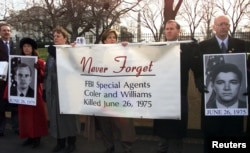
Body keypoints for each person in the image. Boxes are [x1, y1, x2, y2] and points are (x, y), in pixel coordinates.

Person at [193, 15, 246, 151]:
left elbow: (247, 68)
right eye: (221, 24)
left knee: (232, 136)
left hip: (234, 111)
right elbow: (197, 68)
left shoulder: (241, 44)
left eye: (226, 24)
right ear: (214, 27)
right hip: (211, 104)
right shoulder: (203, 46)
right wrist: (199, 81)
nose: (224, 27)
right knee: (212, 137)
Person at [85, 29, 135, 153]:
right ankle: (109, 146)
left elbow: (133, 63)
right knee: (105, 123)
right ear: (104, 41)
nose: (112, 40)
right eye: (109, 38)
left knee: (123, 123)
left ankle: (127, 147)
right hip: (103, 94)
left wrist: (127, 49)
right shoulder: (97, 54)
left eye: (114, 37)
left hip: (119, 93)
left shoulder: (122, 52)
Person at [153, 20, 198, 153]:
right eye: (167, 29)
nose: (169, 31)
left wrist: (197, 50)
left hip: (179, 93)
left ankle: (178, 149)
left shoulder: (186, 48)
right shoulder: (159, 47)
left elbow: (196, 66)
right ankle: (162, 148)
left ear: (178, 31)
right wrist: (125, 47)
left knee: (178, 125)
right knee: (163, 125)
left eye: (172, 28)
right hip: (162, 93)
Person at [4, 37, 48, 147]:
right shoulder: (17, 61)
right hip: (22, 96)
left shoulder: (40, 62)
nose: (26, 48)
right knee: (24, 117)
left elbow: (43, 79)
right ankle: (29, 137)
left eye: (29, 46)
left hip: (35, 94)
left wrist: (39, 70)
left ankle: (37, 138)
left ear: (32, 48)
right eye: (24, 46)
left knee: (36, 117)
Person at [44, 26, 80, 153]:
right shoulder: (51, 54)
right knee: (55, 117)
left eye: (58, 36)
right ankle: (60, 142)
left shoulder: (69, 52)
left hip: (66, 92)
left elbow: (74, 69)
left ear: (65, 38)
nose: (55, 38)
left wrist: (63, 53)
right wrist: (45, 89)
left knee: (68, 118)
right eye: (54, 36)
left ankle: (71, 143)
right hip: (53, 91)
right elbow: (47, 72)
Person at [0, 23, 19, 136]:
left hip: (14, 80)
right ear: (0, 32)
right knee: (1, 106)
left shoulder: (16, 45)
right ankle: (1, 129)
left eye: (8, 30)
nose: (6, 32)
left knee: (15, 106)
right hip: (1, 81)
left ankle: (16, 127)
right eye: (4, 30)